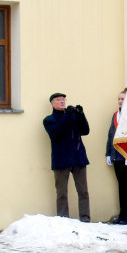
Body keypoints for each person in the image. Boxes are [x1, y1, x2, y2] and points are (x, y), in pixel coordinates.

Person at [42, 92, 91, 222]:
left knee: (83, 191)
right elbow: (56, 133)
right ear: (52, 104)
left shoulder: (72, 116)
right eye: (58, 100)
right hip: (61, 160)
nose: (62, 101)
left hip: (78, 158)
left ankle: (85, 218)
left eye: (63, 99)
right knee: (62, 193)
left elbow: (85, 131)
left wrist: (81, 114)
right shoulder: (49, 120)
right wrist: (68, 115)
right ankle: (63, 219)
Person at [106, 88, 127, 225]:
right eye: (119, 99)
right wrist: (108, 153)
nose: (120, 101)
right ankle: (123, 214)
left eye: (122, 99)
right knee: (122, 187)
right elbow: (111, 134)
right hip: (116, 156)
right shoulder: (115, 115)